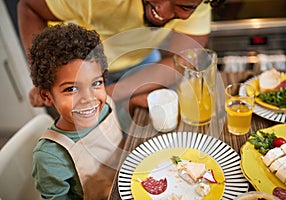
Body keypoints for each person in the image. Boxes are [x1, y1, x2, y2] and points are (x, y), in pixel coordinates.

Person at [18, 0, 225, 130]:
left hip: (140, 60)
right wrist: (43, 75)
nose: (162, 9)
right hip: (77, 71)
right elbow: (29, 7)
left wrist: (117, 94)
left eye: (183, 6)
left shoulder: (198, 3)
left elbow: (182, 61)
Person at [29, 23, 123, 199]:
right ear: (47, 96)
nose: (88, 98)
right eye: (71, 89)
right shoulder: (50, 157)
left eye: (96, 83)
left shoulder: (107, 106)